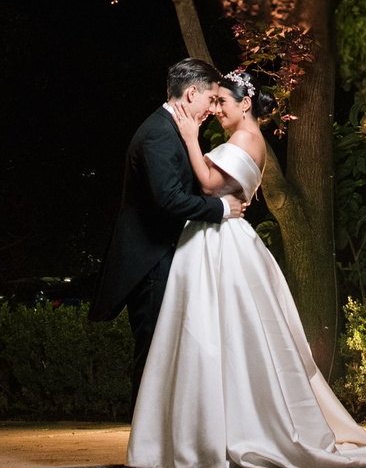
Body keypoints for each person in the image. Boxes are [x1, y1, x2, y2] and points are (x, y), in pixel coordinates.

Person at [124, 67, 366, 468]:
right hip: (214, 240)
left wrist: (189, 139)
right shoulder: (239, 138)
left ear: (245, 104)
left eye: (223, 101)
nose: (217, 109)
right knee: (213, 335)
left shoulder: (246, 139)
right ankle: (207, 430)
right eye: (215, 100)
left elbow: (207, 184)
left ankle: (219, 432)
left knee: (222, 334)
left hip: (222, 244)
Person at [91, 58, 248, 384]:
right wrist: (221, 208)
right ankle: (146, 436)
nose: (211, 109)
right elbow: (168, 200)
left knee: (166, 359)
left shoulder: (171, 130)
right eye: (209, 100)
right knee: (153, 360)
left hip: (163, 260)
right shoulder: (159, 134)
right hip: (151, 265)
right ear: (192, 93)